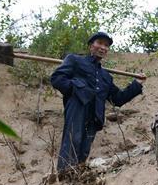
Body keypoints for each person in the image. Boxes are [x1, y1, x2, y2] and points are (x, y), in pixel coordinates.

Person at [50, 32, 146, 172]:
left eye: (106, 45)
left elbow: (118, 99)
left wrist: (137, 84)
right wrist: (76, 90)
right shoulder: (75, 60)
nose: (103, 47)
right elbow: (57, 78)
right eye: (99, 43)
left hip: (95, 115)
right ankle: (64, 176)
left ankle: (76, 176)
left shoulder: (106, 77)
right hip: (77, 108)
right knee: (72, 141)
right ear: (91, 46)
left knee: (84, 148)